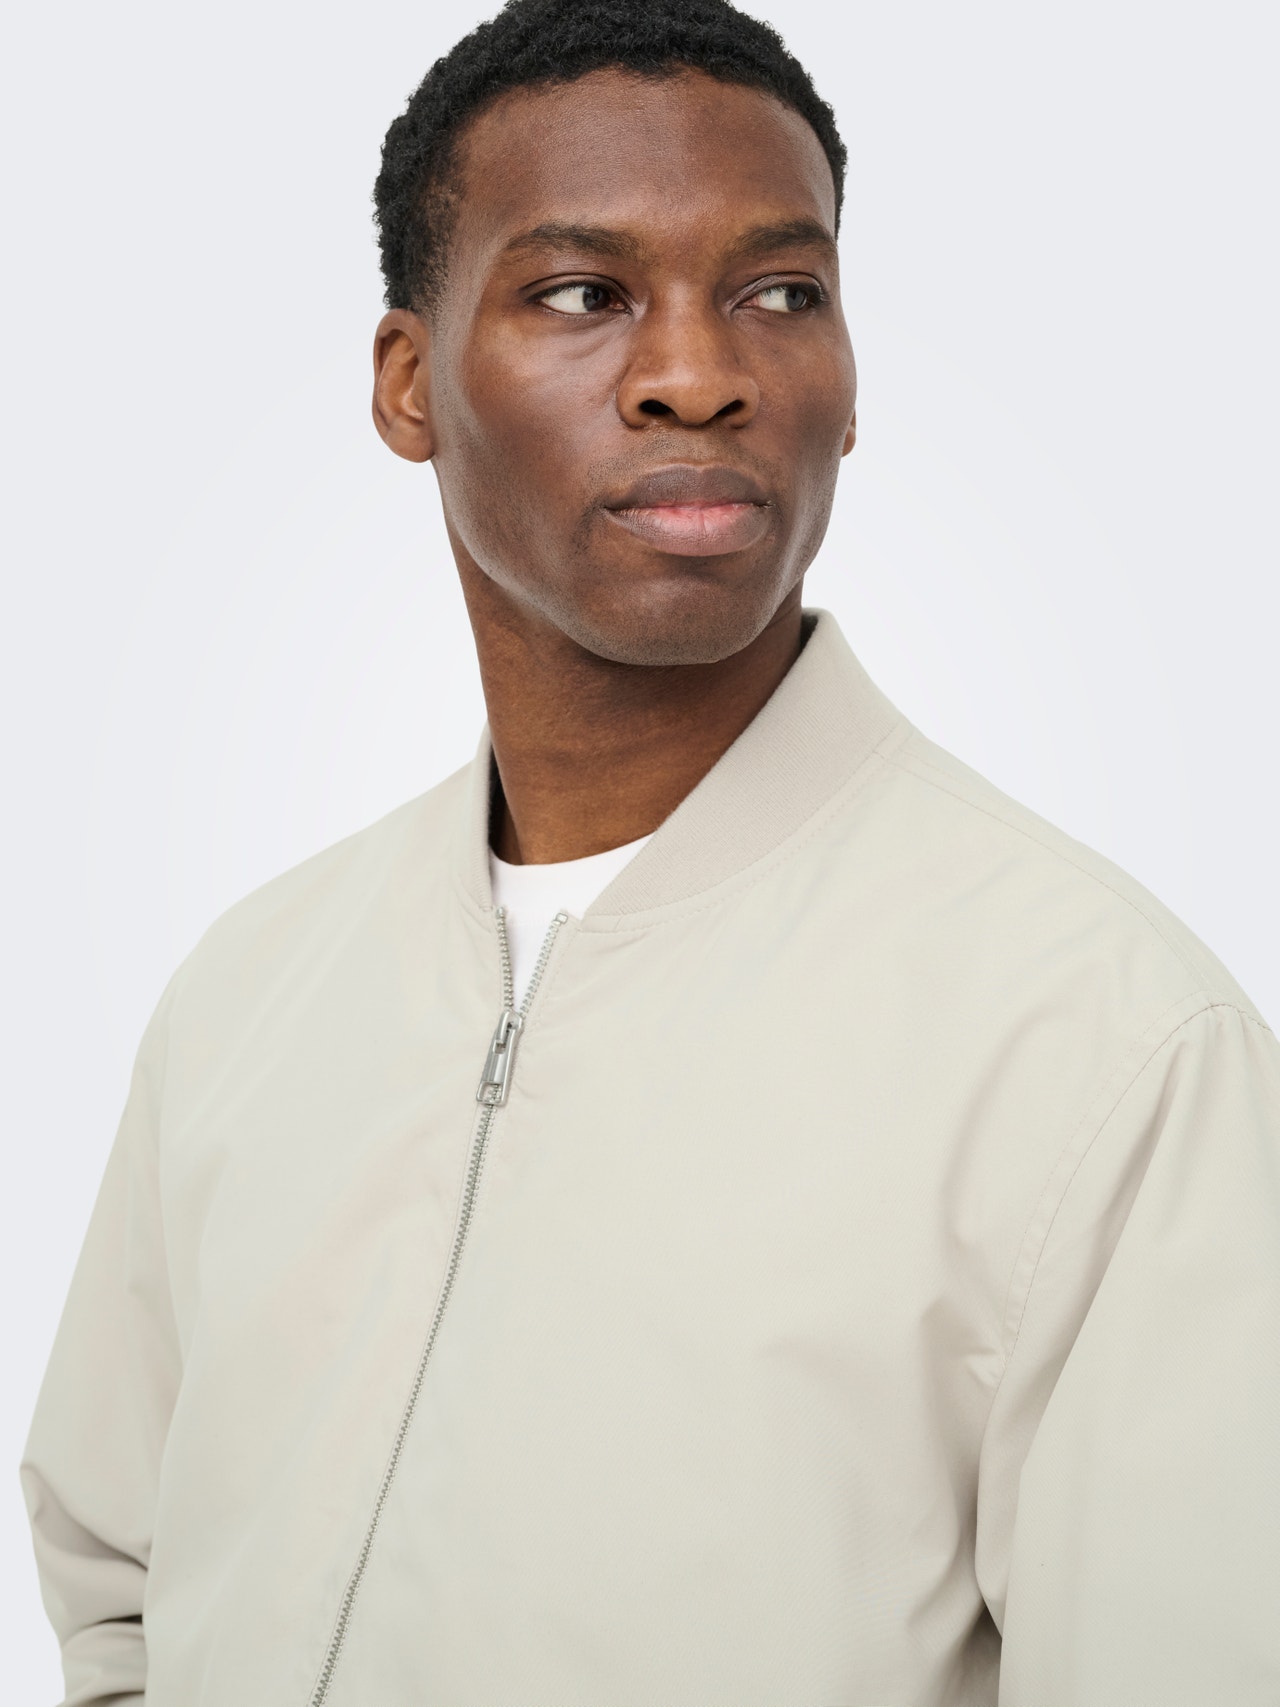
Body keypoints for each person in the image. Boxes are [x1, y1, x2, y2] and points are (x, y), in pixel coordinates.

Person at [21, 0, 1280, 1702]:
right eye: (581, 294)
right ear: (409, 382)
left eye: (782, 292)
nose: (700, 372)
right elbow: (119, 1597)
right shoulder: (249, 993)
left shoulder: (1110, 1046)